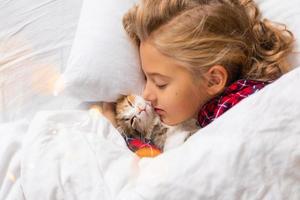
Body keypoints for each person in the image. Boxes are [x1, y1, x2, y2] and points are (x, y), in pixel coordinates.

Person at [102, 0, 294, 129]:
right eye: (146, 78)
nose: (147, 95)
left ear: (213, 80)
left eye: (160, 83)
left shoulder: (236, 116)